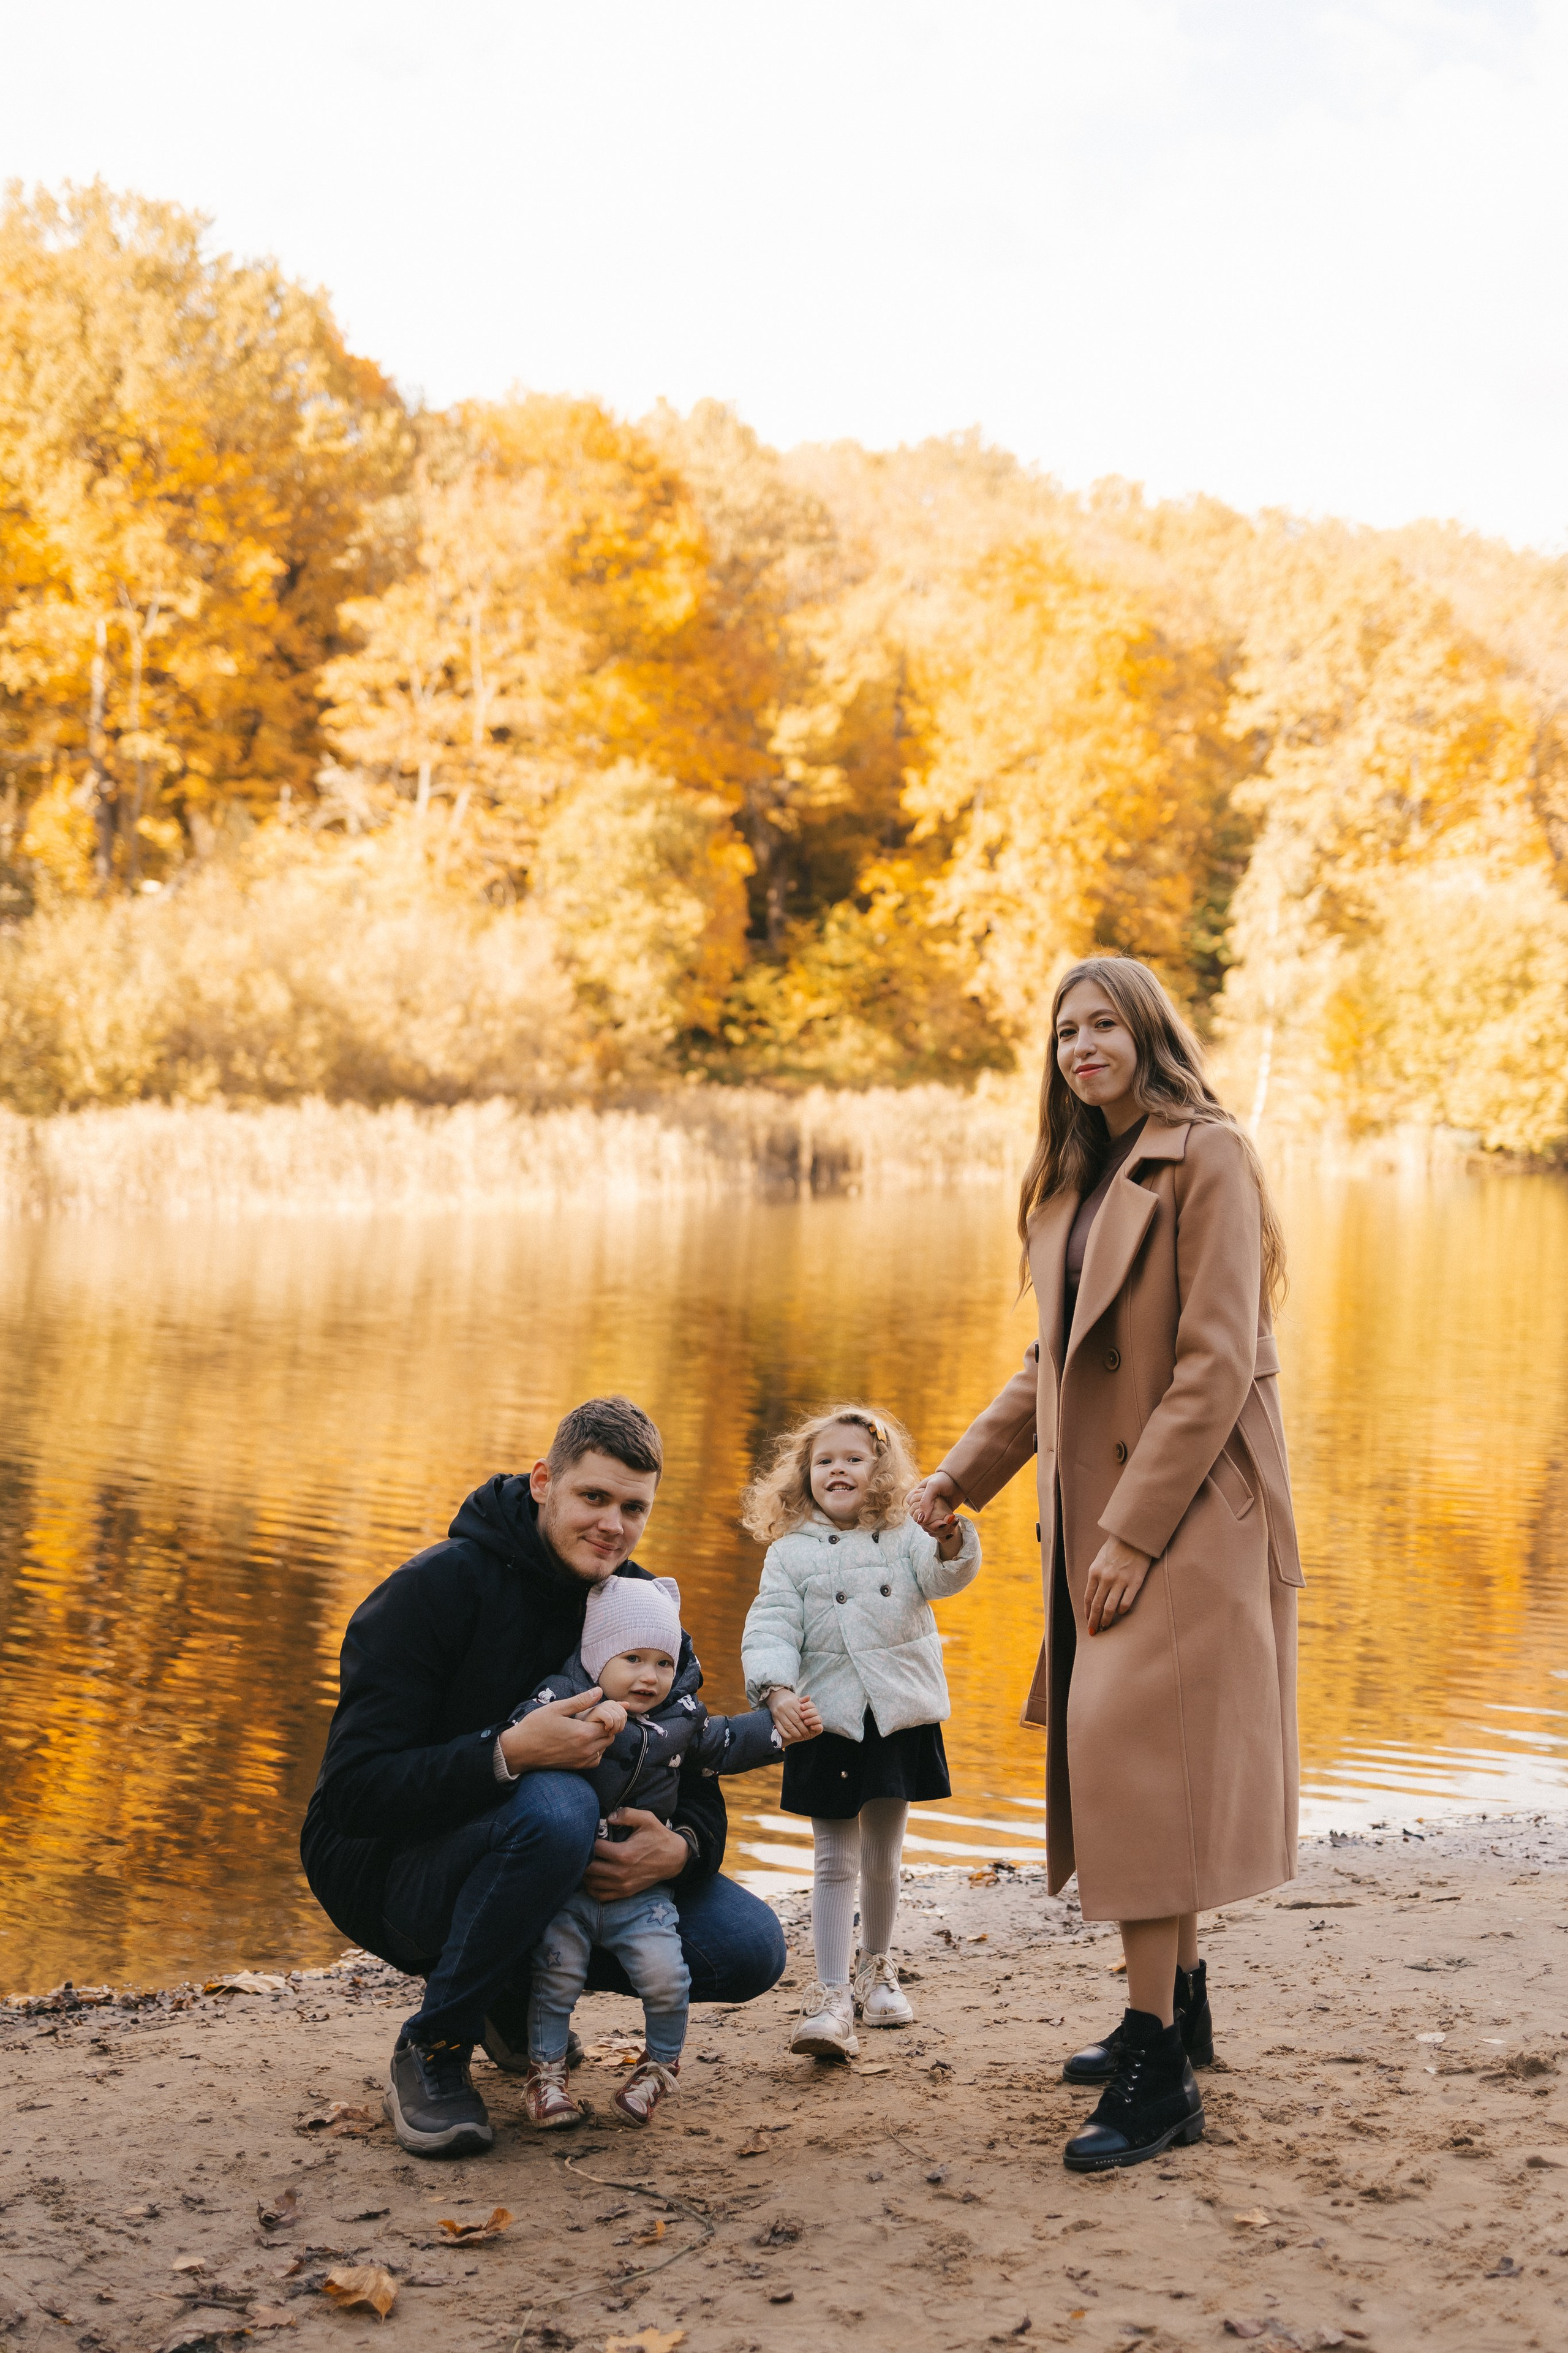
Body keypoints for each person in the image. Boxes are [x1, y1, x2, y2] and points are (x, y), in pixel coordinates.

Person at [910, 956, 1300, 2174]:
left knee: (1135, 1754)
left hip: (1189, 1508)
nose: (1081, 1045)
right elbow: (1051, 1364)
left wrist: (1130, 1533)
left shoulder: (1207, 1154)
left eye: (1103, 1025)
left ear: (1145, 1035)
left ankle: (1153, 2069)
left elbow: (1214, 1359)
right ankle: (1175, 2008)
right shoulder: (1071, 1181)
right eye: (1064, 1030)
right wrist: (956, 1477)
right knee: (1145, 1756)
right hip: (1110, 1504)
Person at [300, 1394, 789, 2159]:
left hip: (564, 1871)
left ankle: (506, 1990)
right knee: (556, 1806)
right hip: (392, 1872)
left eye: (634, 1508)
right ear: (542, 1483)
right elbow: (354, 1795)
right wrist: (507, 1753)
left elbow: (690, 1761)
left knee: (749, 1946)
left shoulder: (641, 1609)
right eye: (593, 1497)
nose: (613, 1526)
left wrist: (683, 1848)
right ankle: (434, 2045)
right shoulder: (433, 1589)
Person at [508, 1572, 820, 2129]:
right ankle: (546, 2074)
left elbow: (724, 1742)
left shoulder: (682, 1719)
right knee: (556, 1977)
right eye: (632, 1659)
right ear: (598, 1656)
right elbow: (521, 1729)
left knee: (666, 1977)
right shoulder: (566, 1694)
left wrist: (779, 1732)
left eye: (663, 1663)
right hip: (567, 1888)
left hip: (644, 1893)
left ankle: (658, 2066)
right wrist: (584, 1721)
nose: (649, 1677)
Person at [741, 1405, 981, 2060]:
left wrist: (950, 1535)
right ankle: (827, 1994)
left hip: (896, 1712)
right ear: (804, 1474)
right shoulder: (788, 1553)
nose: (838, 1469)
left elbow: (945, 1574)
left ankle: (876, 1970)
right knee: (832, 1859)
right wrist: (777, 1690)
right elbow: (770, 1626)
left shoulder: (905, 1534)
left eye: (853, 1457)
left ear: (880, 1470)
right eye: (824, 1460)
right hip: (828, 1718)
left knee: (882, 1856)